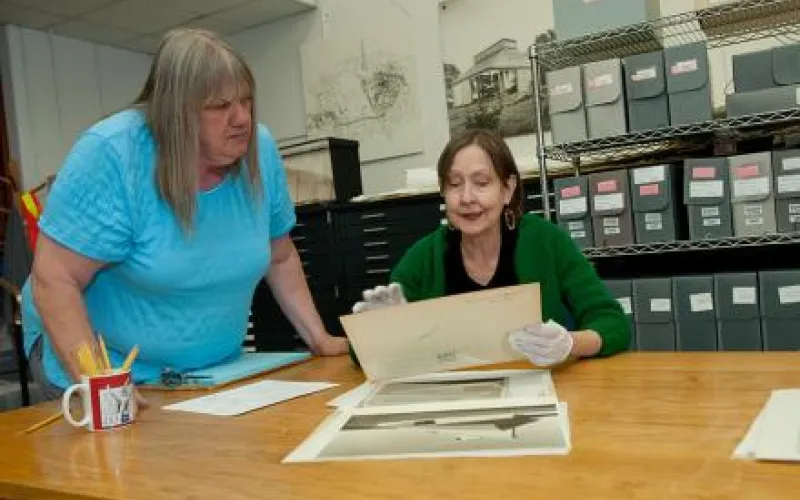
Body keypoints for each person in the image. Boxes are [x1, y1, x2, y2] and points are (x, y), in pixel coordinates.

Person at [21, 28, 348, 401]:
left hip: (212, 370)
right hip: (106, 366)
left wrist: (318, 337)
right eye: (220, 106)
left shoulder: (260, 148)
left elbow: (281, 253)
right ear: (177, 115)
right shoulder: (112, 154)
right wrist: (103, 385)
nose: (242, 118)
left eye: (246, 100)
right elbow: (54, 278)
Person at [352, 129, 629, 367]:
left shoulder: (546, 241)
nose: (467, 198)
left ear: (507, 189)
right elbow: (358, 354)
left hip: (540, 394)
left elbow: (613, 323)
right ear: (443, 192)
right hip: (453, 400)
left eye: (482, 183)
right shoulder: (423, 258)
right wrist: (380, 332)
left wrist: (570, 343)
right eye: (454, 184)